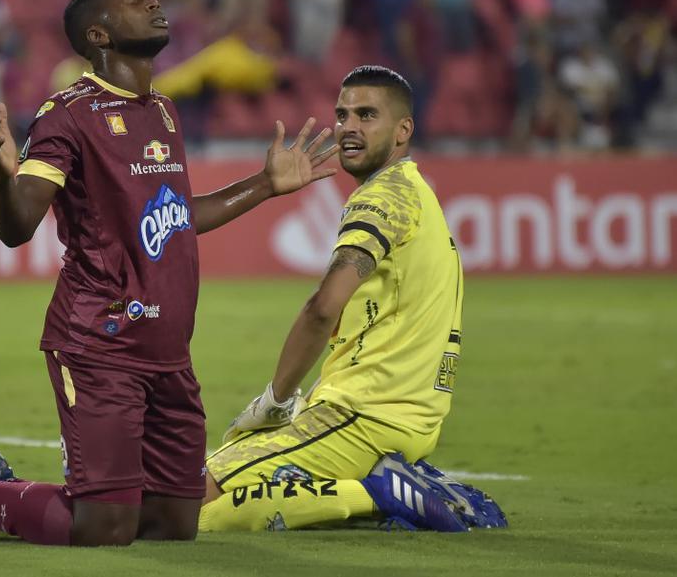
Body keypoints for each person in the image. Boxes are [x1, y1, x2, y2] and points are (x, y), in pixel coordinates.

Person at [0, 0, 337, 547]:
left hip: (168, 352)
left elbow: (177, 215)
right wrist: (3, 177)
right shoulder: (67, 114)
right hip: (101, 342)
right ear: (99, 34)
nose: (151, 0)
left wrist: (266, 185)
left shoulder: (163, 112)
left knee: (175, 523)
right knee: (103, 527)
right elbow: (16, 226)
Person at [196, 66, 506, 533]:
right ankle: (385, 491)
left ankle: (381, 496)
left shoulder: (382, 198)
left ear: (403, 130)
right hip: (401, 418)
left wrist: (275, 399)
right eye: (342, 115)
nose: (349, 128)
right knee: (219, 505)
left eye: (367, 115)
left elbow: (324, 308)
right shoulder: (416, 193)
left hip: (361, 416)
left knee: (180, 504)